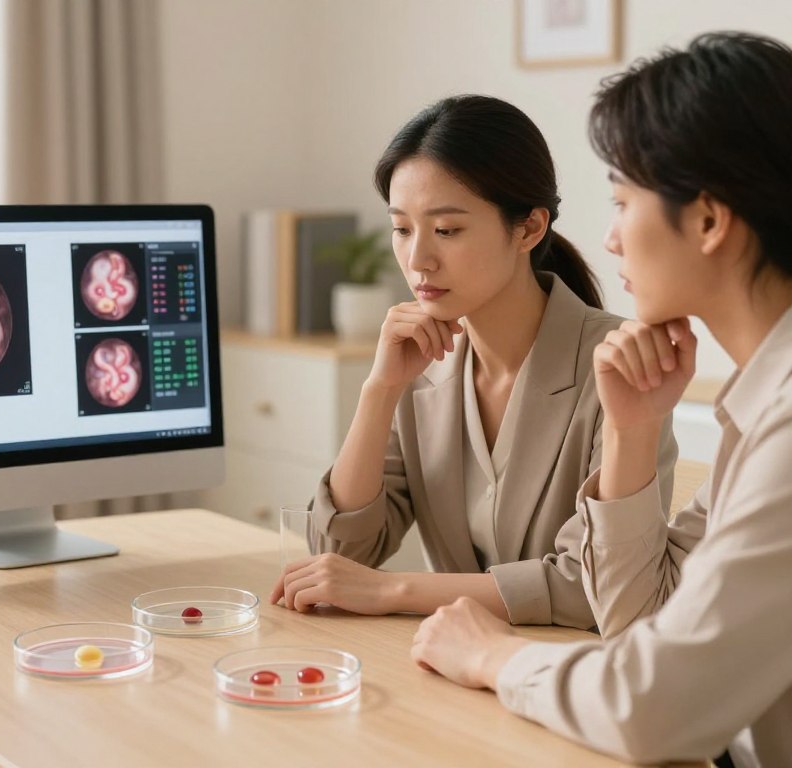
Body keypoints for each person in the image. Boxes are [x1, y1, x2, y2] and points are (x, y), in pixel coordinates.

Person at [410, 32, 792, 767]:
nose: (611, 239)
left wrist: (495, 657)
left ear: (709, 221)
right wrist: (633, 430)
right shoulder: (761, 405)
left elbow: (653, 706)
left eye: (623, 201)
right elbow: (643, 624)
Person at [270, 95, 676, 628]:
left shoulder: (620, 366)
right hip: (451, 671)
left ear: (529, 229)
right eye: (402, 228)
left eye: (446, 230)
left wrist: (396, 589)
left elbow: (595, 584)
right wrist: (379, 391)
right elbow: (341, 552)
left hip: (567, 676)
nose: (417, 260)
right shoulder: (421, 369)